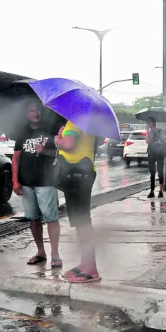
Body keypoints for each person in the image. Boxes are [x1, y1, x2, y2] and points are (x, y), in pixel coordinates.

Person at [12, 101, 62, 268]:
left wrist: (45, 151)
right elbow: (16, 157)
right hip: (26, 183)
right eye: (32, 111)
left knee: (51, 218)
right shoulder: (22, 132)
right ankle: (41, 252)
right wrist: (15, 180)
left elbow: (60, 152)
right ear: (27, 114)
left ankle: (55, 254)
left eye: (38, 110)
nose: (35, 113)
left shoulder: (50, 129)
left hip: (46, 181)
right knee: (33, 218)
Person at [54, 120, 101, 283]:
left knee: (83, 222)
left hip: (77, 174)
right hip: (79, 173)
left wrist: (57, 140)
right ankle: (85, 263)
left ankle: (91, 269)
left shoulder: (76, 122)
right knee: (80, 222)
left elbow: (68, 144)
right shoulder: (82, 123)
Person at [145, 117, 166, 199]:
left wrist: (157, 133)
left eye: (150, 122)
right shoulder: (149, 132)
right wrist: (147, 131)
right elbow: (147, 142)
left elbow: (164, 141)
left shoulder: (160, 131)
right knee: (152, 173)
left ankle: (161, 190)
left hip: (160, 153)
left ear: (154, 123)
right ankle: (152, 191)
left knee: (160, 172)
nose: (148, 124)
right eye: (147, 123)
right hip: (152, 153)